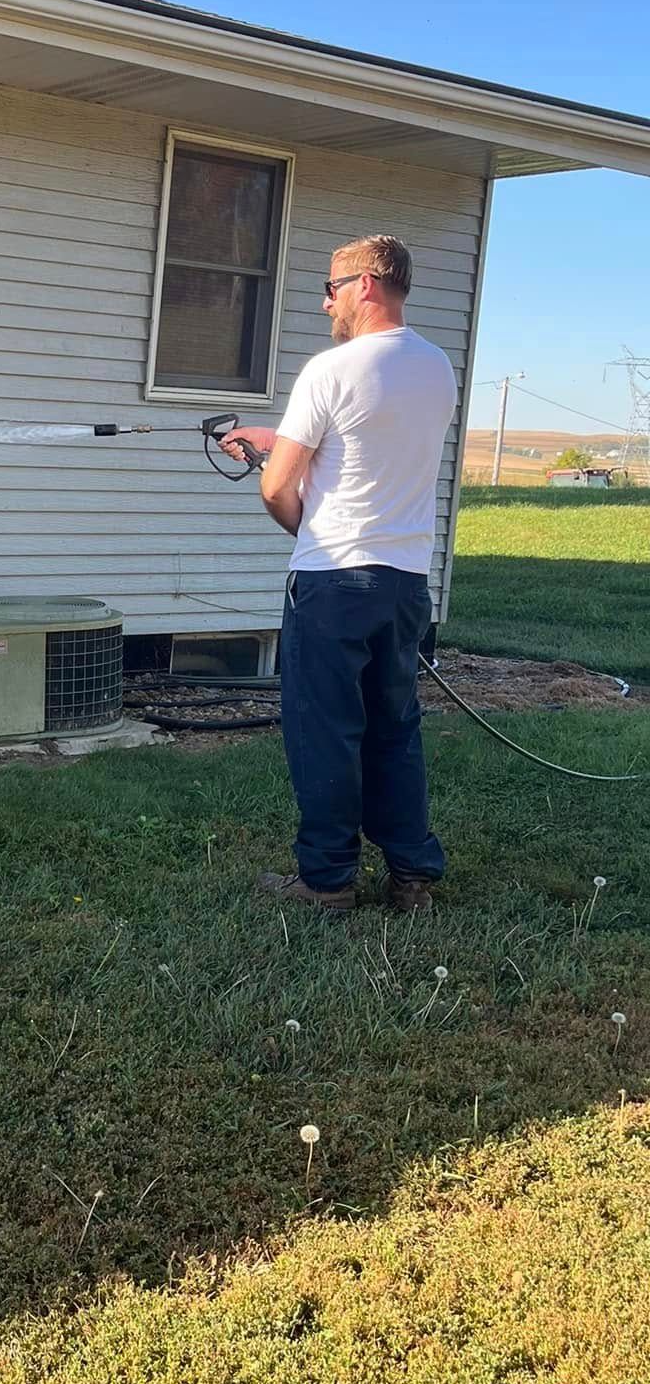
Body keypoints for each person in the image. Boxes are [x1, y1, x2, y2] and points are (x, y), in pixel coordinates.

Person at [223, 234, 457, 916]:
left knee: (324, 730)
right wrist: (279, 439)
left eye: (332, 287)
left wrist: (308, 526)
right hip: (406, 583)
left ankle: (326, 882)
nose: (326, 302)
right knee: (395, 727)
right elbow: (367, 447)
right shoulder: (436, 367)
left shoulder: (329, 369)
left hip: (334, 583)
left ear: (368, 285)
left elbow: (277, 488)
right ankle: (412, 877)